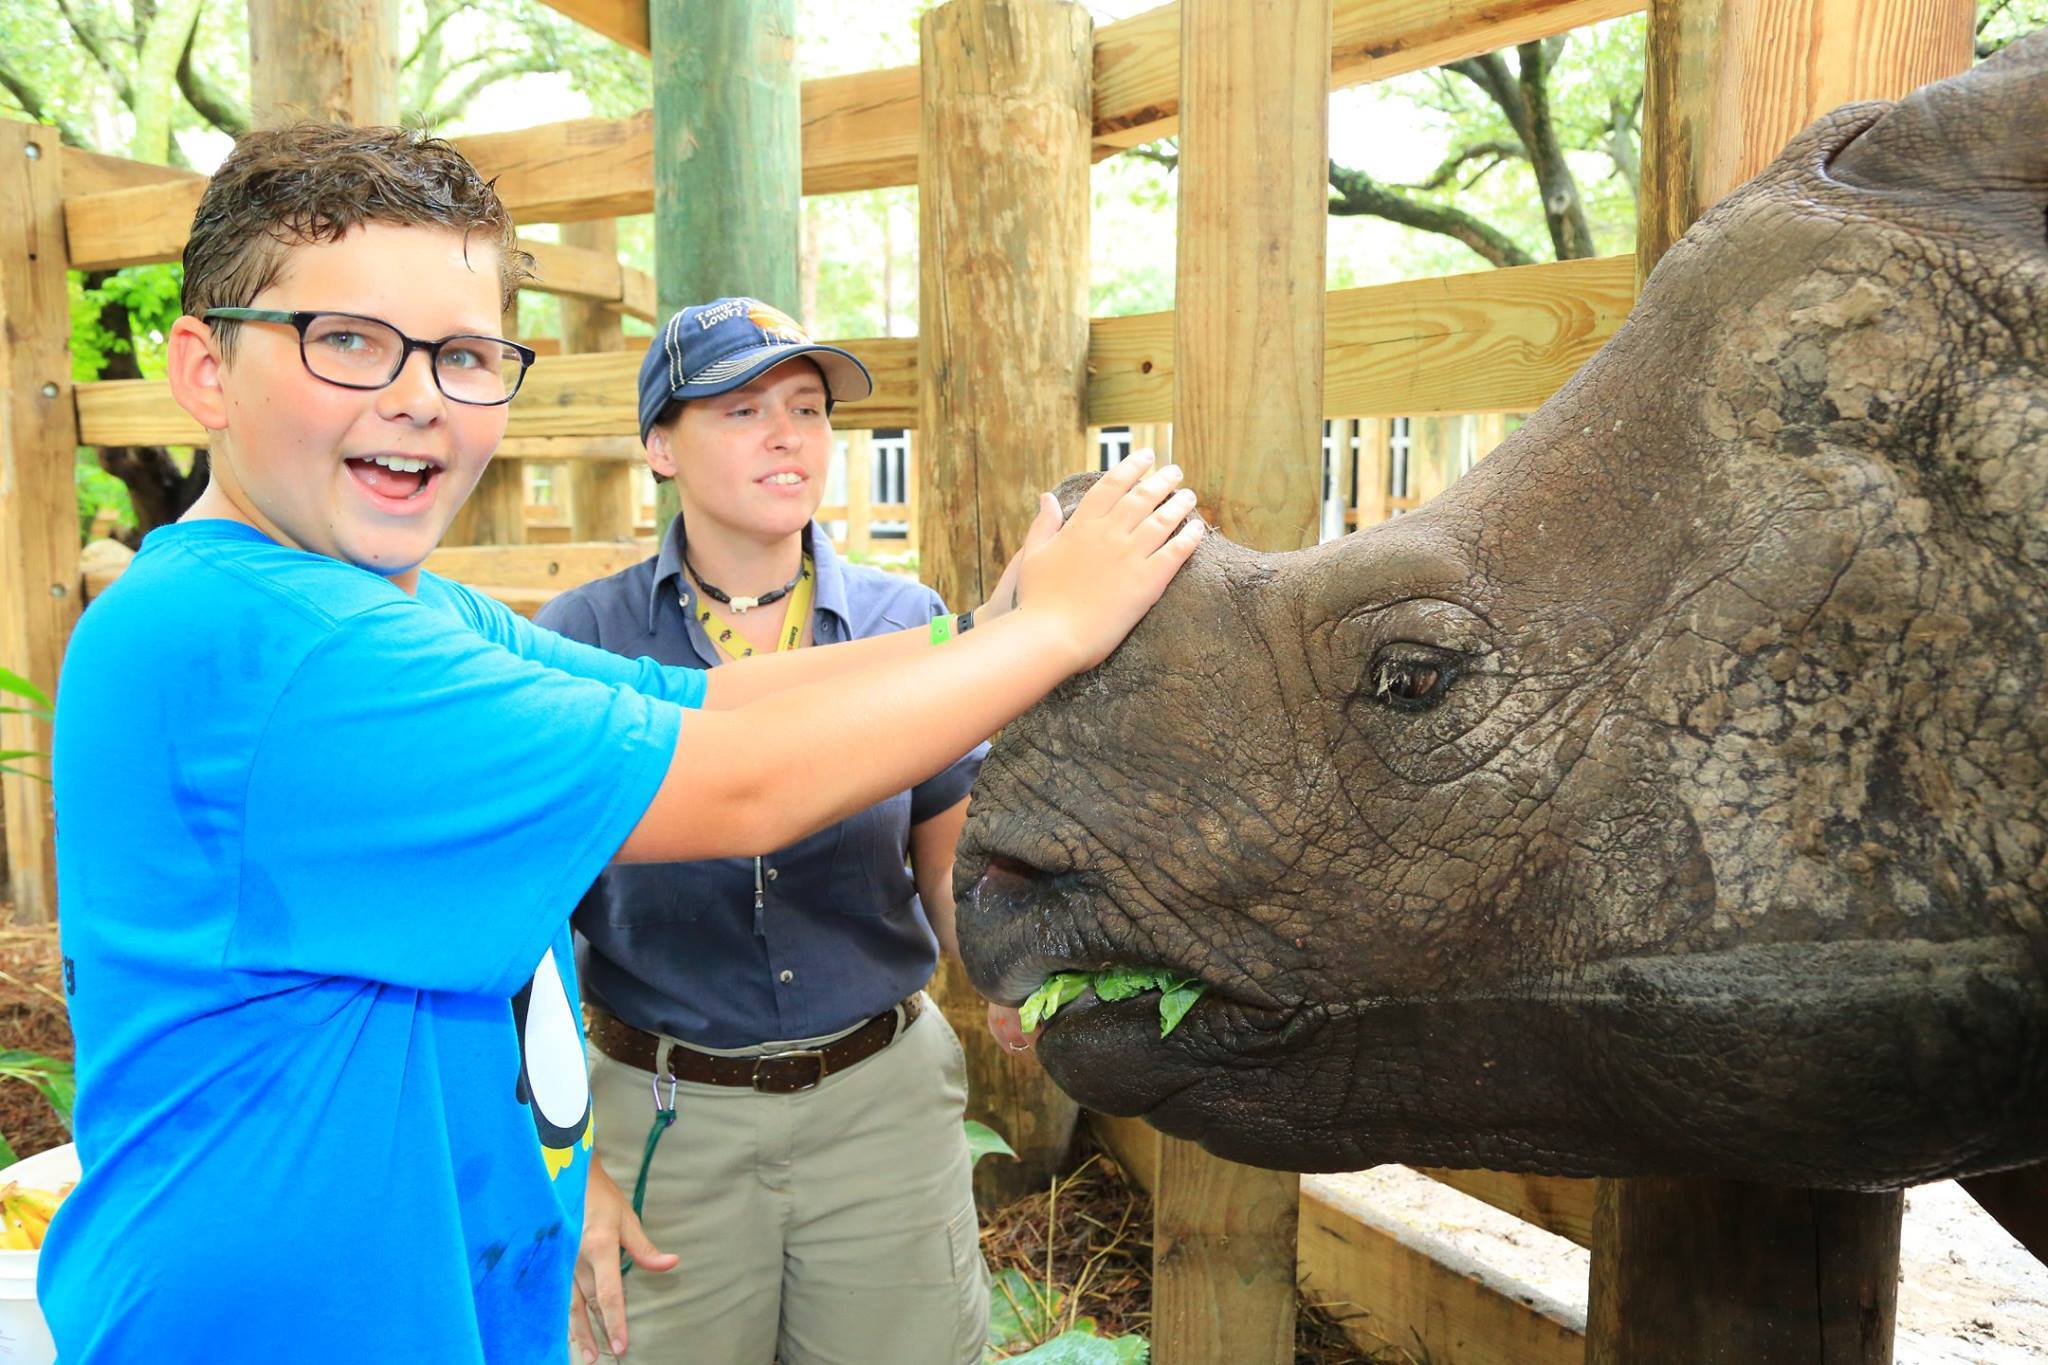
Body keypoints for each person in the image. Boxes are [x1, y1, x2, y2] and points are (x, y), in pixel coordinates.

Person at [39, 122, 1203, 1363]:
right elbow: (740, 784)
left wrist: (988, 627)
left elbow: (704, 708)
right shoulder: (278, 648)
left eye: (467, 354)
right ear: (204, 369)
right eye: (347, 340)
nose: (418, 396)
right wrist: (1059, 632)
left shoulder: (402, 608)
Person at [538, 298, 1013, 1364]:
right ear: (660, 446)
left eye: (806, 407)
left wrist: (1011, 974)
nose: (787, 434)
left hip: (877, 1103)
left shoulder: (904, 622)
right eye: (741, 408)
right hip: (661, 1115)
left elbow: (950, 857)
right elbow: (517, 926)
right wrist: (571, 1164)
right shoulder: (581, 638)